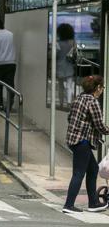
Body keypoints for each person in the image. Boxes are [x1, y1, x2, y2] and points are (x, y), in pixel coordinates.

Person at [62, 75, 109, 214]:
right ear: (98, 88)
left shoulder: (79, 98)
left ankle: (93, 203)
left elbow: (70, 117)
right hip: (82, 142)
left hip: (74, 140)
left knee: (93, 169)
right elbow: (99, 125)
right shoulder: (93, 102)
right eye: (102, 87)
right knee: (78, 173)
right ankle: (68, 205)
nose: (102, 90)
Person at [56, 23, 77, 107]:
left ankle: (61, 102)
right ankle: (68, 102)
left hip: (60, 66)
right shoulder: (73, 43)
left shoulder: (58, 43)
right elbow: (75, 53)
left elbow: (55, 55)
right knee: (69, 86)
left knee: (60, 86)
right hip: (69, 66)